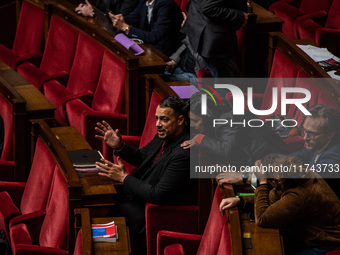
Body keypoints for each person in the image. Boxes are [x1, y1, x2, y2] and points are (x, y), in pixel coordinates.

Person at [94, 96, 193, 254]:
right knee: (98, 197)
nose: (158, 124)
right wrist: (120, 146)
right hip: (137, 197)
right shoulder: (165, 134)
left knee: (108, 210)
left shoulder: (184, 154)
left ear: (180, 120)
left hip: (152, 213)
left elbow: (157, 194)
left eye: (164, 119)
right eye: (156, 118)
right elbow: (142, 157)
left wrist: (124, 178)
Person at [219, 154, 340, 255]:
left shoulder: (298, 194)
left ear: (275, 181)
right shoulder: (294, 176)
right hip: (308, 236)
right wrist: (241, 201)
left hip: (326, 245)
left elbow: (262, 218)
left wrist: (262, 183)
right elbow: (274, 200)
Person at [181, 92, 286, 176]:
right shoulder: (217, 113)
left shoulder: (227, 120)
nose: (192, 125)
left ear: (207, 117)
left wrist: (199, 138)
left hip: (269, 158)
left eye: (195, 121)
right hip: (251, 153)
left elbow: (226, 150)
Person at [182, 0, 248, 78]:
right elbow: (208, 8)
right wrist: (240, 16)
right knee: (228, 83)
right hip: (213, 38)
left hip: (203, 29)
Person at [290, 104, 340, 197]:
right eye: (304, 130)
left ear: (330, 134)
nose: (305, 138)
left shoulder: (334, 156)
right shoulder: (318, 143)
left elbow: (307, 183)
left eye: (312, 134)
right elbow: (299, 155)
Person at [109, 0, 184, 56]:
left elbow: (154, 36)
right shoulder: (145, 1)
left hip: (162, 54)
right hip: (148, 47)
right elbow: (133, 18)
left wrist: (126, 28)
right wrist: (120, 19)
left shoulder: (166, 5)